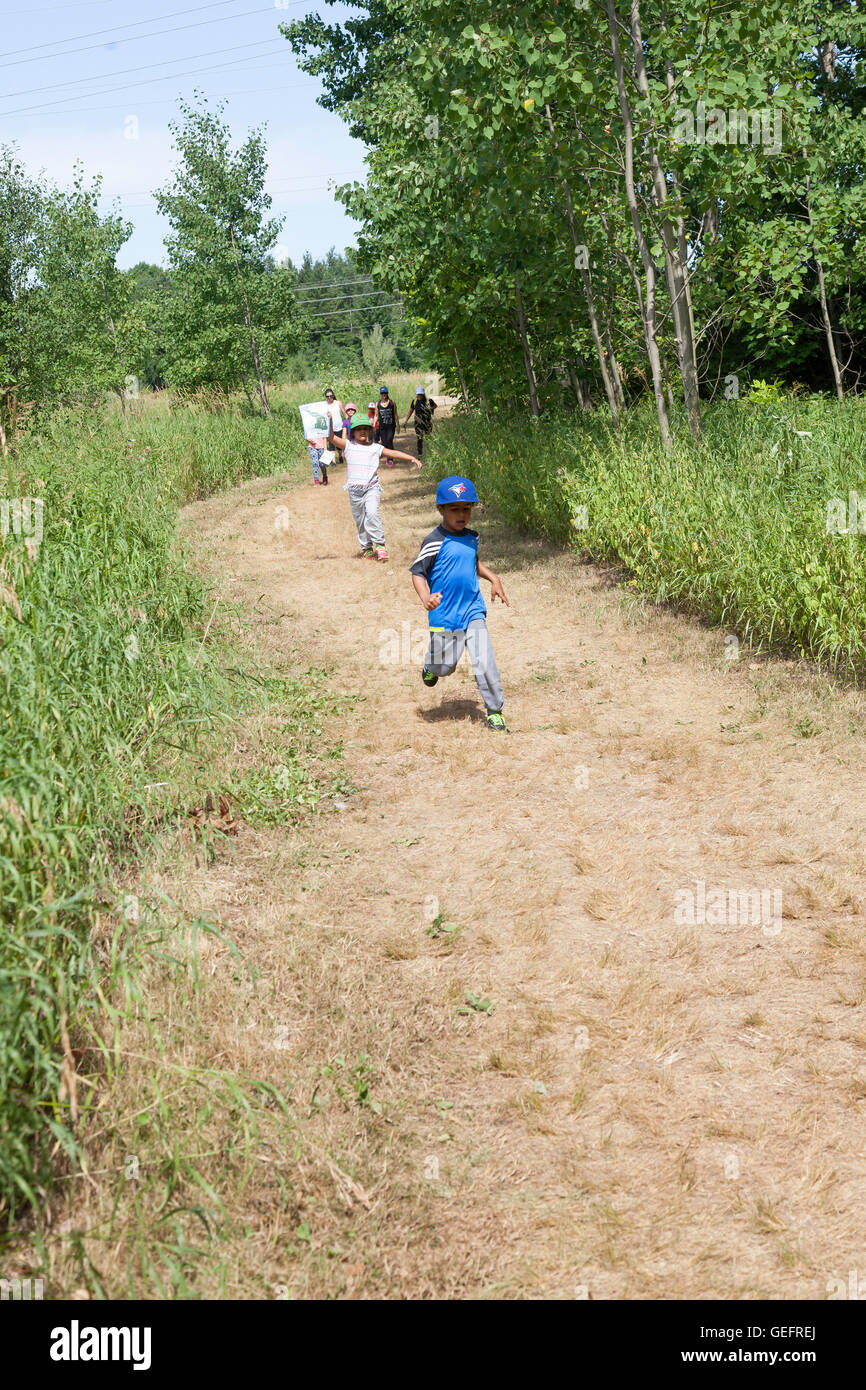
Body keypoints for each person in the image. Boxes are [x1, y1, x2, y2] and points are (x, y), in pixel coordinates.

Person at [409, 475, 509, 731]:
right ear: (440, 509)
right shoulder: (434, 541)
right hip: (445, 615)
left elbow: (472, 562)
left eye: (467, 508)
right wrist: (425, 598)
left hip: (472, 610)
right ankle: (431, 666)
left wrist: (492, 578)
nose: (462, 514)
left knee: (484, 660)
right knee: (445, 666)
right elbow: (417, 572)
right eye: (454, 509)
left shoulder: (471, 537)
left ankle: (495, 711)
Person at [329, 411, 419, 562]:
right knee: (360, 519)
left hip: (371, 488)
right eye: (358, 429)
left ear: (370, 431)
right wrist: (330, 421)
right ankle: (367, 548)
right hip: (354, 491)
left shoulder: (375, 448)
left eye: (365, 428)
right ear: (353, 432)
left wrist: (411, 458)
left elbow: (393, 453)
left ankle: (381, 545)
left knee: (372, 514)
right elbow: (331, 437)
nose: (362, 431)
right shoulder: (348, 446)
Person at [404, 387, 437, 459]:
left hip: (427, 423)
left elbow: (435, 406)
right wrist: (406, 420)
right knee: (419, 438)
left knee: (428, 437)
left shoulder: (429, 401)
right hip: (418, 424)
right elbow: (411, 411)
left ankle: (430, 452)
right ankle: (420, 453)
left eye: (420, 394)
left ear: (423, 394)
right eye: (418, 394)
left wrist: (430, 408)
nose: (419, 396)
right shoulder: (414, 401)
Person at [376, 386, 399, 461]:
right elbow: (376, 415)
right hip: (382, 427)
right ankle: (389, 454)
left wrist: (398, 425)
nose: (384, 395)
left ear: (387, 393)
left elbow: (395, 414)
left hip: (391, 426)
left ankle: (390, 458)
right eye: (382, 393)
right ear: (380, 394)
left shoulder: (392, 402)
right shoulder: (378, 404)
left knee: (389, 440)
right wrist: (373, 425)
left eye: (385, 393)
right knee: (384, 443)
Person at [305, 419, 329, 486]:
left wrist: (325, 449)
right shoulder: (309, 428)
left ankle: (325, 477)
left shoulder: (322, 427)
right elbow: (306, 436)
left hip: (321, 447)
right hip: (312, 447)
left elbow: (324, 438)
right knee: (315, 463)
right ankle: (316, 480)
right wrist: (309, 440)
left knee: (322, 464)